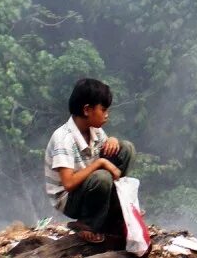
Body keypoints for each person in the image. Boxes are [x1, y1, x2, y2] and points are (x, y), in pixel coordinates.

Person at [44, 78, 135, 244]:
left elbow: (109, 153)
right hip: (70, 199)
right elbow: (69, 184)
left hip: (90, 187)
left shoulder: (95, 131)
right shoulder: (63, 138)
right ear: (87, 110)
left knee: (126, 148)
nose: (107, 115)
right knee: (102, 177)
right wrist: (100, 163)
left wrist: (112, 140)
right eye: (103, 109)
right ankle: (87, 224)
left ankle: (115, 212)